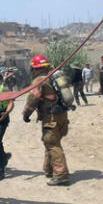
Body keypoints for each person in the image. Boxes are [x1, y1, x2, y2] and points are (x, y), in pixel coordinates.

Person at [22, 54, 70, 186]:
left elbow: (33, 99)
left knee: (52, 144)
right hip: (62, 116)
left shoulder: (39, 80)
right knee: (50, 142)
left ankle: (61, 175)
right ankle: (49, 169)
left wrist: (26, 113)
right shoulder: (53, 76)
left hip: (51, 117)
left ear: (34, 68)